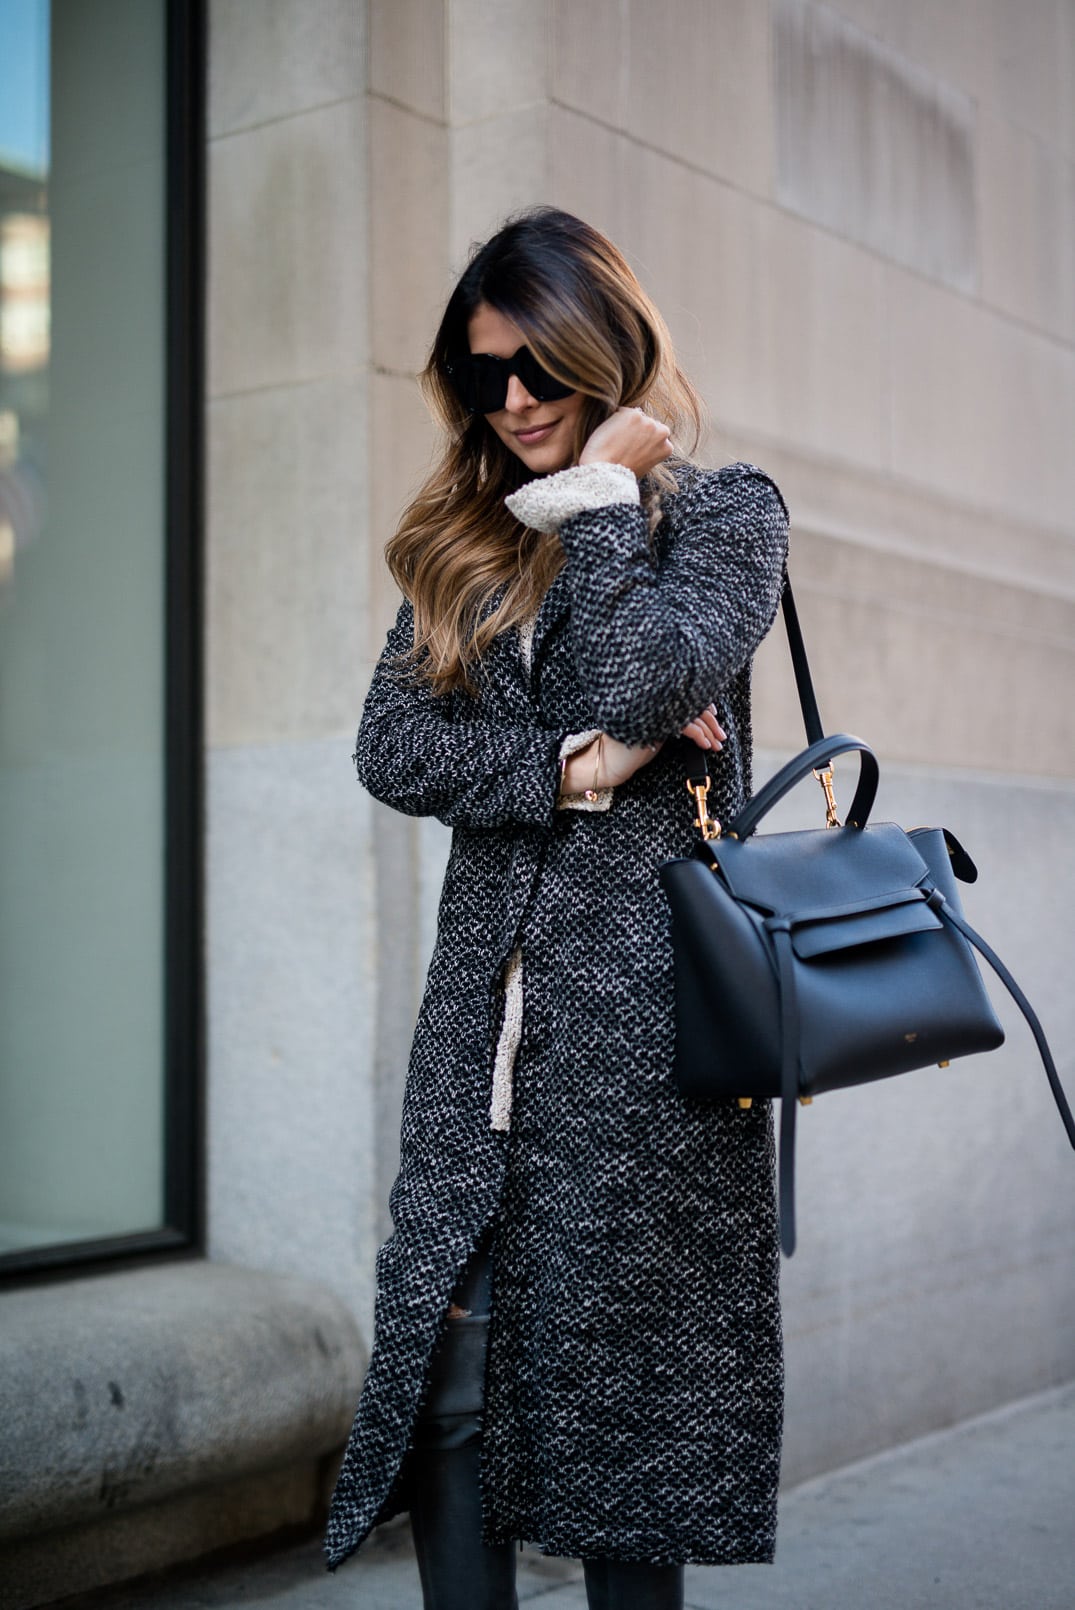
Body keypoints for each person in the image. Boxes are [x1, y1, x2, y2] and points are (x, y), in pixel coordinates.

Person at [323, 206, 789, 1609]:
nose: (512, 399)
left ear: (604, 350)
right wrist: (570, 769)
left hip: (646, 1057)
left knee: (621, 1442)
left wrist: (596, 500)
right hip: (482, 1045)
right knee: (453, 1404)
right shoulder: (463, 537)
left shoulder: (724, 514)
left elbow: (650, 676)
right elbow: (391, 749)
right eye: (482, 375)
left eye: (537, 366)